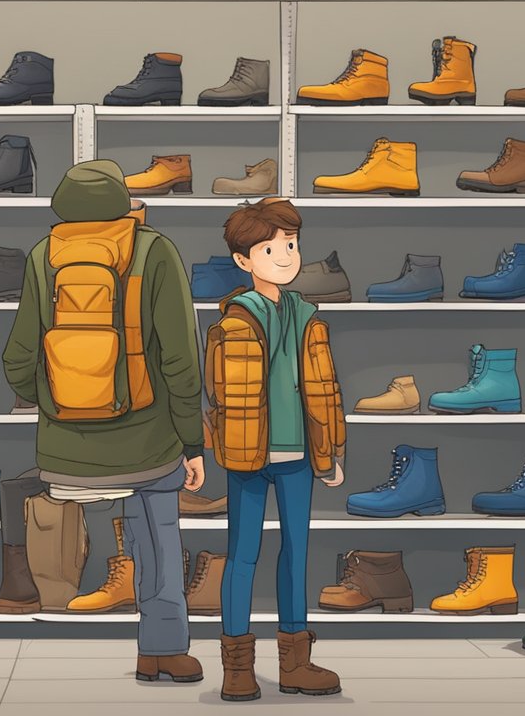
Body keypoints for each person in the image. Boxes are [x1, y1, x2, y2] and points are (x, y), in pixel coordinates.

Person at [3, 159, 205, 683]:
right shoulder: (154, 251)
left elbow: (18, 358)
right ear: (124, 204)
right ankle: (161, 650)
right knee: (159, 533)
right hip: (149, 444)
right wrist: (192, 441)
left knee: (113, 518)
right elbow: (181, 358)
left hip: (65, 453)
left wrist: (54, 404)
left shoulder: (43, 256)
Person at [204, 198, 346, 701]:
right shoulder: (234, 319)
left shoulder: (308, 315)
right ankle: (237, 668)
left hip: (300, 458)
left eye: (290, 244)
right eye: (271, 247)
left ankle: (295, 664)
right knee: (242, 556)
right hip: (247, 457)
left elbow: (326, 389)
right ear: (244, 261)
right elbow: (217, 393)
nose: (285, 256)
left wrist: (328, 452)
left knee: (296, 555)